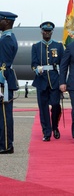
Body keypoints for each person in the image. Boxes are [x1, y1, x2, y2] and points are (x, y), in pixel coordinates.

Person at [31, 21, 64, 141]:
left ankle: (55, 126)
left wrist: (63, 80)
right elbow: (33, 64)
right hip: (41, 80)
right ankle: (46, 132)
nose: (47, 33)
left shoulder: (59, 46)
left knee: (55, 105)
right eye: (45, 31)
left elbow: (63, 64)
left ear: (52, 32)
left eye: (49, 31)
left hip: (55, 80)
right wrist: (36, 69)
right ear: (41, 31)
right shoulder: (36, 46)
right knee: (43, 108)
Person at [0, 11, 19, 154]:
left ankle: (6, 145)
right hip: (4, 81)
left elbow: (4, 65)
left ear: (6, 22)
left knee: (5, 115)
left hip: (3, 83)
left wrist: (1, 82)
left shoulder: (6, 39)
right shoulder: (7, 37)